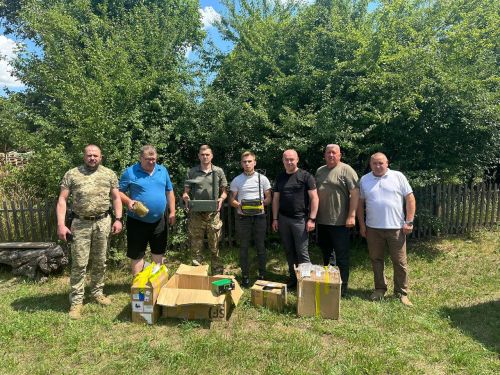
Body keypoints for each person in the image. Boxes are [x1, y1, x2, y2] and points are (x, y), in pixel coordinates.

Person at [56, 144, 123, 320]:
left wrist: (118, 219)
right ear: (84, 156)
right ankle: (77, 301)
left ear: (101, 157)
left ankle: (97, 292)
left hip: (103, 222)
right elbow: (62, 199)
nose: (92, 158)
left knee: (100, 260)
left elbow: (116, 197)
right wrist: (61, 224)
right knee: (79, 263)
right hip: (80, 223)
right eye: (89, 155)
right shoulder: (72, 174)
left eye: (95, 155)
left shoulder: (109, 174)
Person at [357, 152, 416, 306]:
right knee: (376, 260)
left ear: (387, 163)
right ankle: (379, 289)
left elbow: (410, 198)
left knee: (400, 261)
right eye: (374, 163)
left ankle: (401, 293)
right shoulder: (365, 179)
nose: (378, 166)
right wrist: (362, 225)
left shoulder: (398, 176)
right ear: (370, 165)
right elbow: (359, 204)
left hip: (396, 228)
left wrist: (409, 221)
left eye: (381, 163)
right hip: (373, 228)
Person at [119, 145, 176, 276]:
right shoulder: (130, 172)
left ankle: (157, 284)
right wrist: (128, 201)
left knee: (158, 251)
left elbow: (169, 191)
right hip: (137, 220)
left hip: (159, 220)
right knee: (137, 253)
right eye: (148, 159)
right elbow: (119, 192)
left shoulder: (162, 170)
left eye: (154, 159)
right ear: (140, 158)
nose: (151, 162)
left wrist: (172, 212)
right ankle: (138, 286)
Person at [315, 144, 359, 297]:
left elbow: (355, 194)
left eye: (334, 153)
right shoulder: (320, 171)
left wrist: (352, 215)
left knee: (341, 256)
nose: (331, 155)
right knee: (326, 254)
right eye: (328, 152)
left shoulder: (347, 170)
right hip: (322, 221)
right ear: (324, 155)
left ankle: (343, 288)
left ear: (340, 155)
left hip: (340, 222)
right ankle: (330, 284)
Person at [272, 149, 319, 288]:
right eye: (286, 159)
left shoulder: (306, 176)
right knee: (289, 250)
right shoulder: (280, 177)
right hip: (283, 219)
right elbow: (275, 199)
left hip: (300, 220)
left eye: (292, 159)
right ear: (283, 161)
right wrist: (275, 219)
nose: (289, 162)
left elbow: (314, 198)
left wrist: (312, 219)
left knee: (302, 252)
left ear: (297, 159)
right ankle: (293, 279)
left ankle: (306, 283)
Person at [182, 145, 227, 274]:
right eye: (202, 154)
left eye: (207, 154)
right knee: (196, 246)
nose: (205, 157)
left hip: (213, 214)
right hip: (196, 214)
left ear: (211, 156)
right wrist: (186, 198)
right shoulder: (192, 172)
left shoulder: (218, 171)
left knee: (215, 246)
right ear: (199, 156)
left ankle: (217, 274)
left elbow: (224, 191)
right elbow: (186, 192)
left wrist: (221, 199)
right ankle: (198, 275)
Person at [229, 151, 272, 287]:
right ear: (241, 163)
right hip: (243, 218)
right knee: (244, 247)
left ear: (255, 162)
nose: (247, 164)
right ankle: (245, 276)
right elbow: (231, 200)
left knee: (260, 246)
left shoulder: (262, 178)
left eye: (250, 161)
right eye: (244, 162)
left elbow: (269, 198)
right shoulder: (237, 180)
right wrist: (240, 205)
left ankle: (262, 274)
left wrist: (261, 204)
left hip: (259, 217)